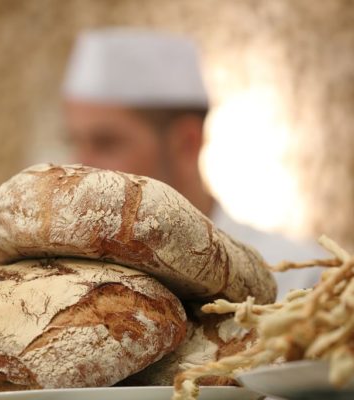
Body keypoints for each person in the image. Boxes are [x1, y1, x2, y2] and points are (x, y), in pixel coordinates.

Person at [62, 28, 324, 300]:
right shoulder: (61, 286)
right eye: (73, 142)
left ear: (186, 144)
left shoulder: (301, 281)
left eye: (105, 142)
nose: (79, 166)